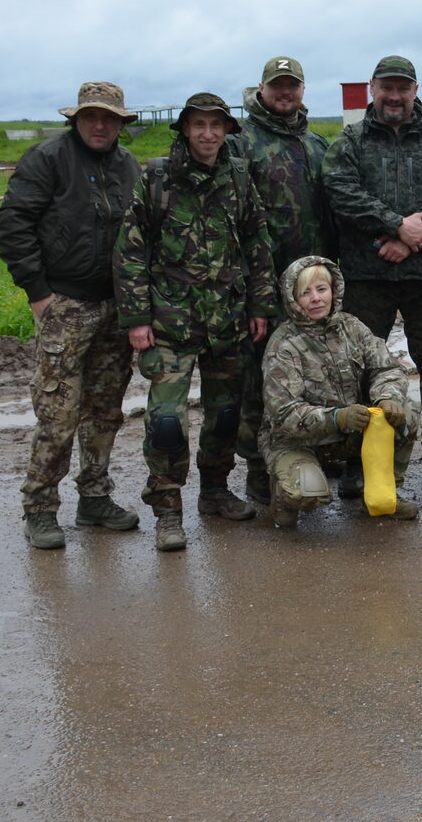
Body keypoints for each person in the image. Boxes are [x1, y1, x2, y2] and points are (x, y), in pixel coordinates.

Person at [115, 92, 277, 552]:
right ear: (185, 129)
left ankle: (215, 491)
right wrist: (136, 318)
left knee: (225, 414)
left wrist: (260, 307)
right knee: (166, 421)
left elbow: (257, 244)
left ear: (227, 130)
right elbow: (130, 251)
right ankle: (168, 512)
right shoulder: (158, 178)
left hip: (226, 319)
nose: (208, 134)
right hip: (170, 322)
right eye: (199, 125)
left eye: (216, 125)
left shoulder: (240, 177)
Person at [0, 81, 144, 550]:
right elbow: (14, 225)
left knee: (105, 411)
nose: (100, 126)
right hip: (64, 305)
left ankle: (95, 498)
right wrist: (39, 294)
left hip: (115, 306)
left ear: (121, 124)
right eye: (91, 117)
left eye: (109, 119)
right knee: (58, 412)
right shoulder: (46, 159)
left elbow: (141, 234)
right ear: (76, 119)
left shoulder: (128, 166)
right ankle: (39, 507)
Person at [321, 55, 422, 489]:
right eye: (386, 87)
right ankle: (361, 459)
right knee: (361, 369)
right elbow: (339, 191)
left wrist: (415, 231)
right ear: (372, 88)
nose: (394, 96)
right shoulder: (350, 141)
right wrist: (393, 225)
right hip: (366, 277)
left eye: (402, 88)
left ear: (415, 90)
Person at [230, 54, 335, 507]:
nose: (285, 92)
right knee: (260, 385)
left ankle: (309, 464)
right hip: (264, 288)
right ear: (262, 89)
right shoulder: (241, 142)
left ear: (303, 90)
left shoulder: (316, 144)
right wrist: (253, 293)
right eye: (278, 86)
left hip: (313, 289)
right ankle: (259, 471)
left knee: (311, 381)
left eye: (292, 85)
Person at [260, 256, 421, 528]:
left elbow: (387, 368)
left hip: (351, 432)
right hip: (297, 440)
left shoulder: (352, 326)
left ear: (333, 290)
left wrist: (388, 397)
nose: (316, 298)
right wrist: (337, 417)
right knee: (306, 493)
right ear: (292, 298)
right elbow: (285, 414)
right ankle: (283, 497)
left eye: (321, 289)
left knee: (406, 411)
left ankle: (383, 494)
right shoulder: (283, 345)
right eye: (305, 293)